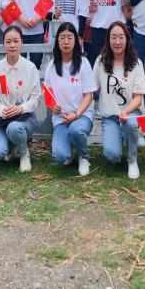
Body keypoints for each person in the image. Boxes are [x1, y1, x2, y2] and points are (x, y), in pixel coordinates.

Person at [93, 21, 145, 180]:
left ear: (127, 39)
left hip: (130, 113)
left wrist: (126, 111)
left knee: (130, 124)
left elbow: (138, 97)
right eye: (114, 37)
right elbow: (95, 88)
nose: (117, 42)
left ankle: (132, 159)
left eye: (121, 37)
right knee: (112, 155)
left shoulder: (136, 63)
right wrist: (107, 101)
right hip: (110, 116)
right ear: (108, 39)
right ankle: (119, 140)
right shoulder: (101, 61)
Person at [43, 22, 96, 176]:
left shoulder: (83, 63)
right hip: (61, 118)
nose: (66, 42)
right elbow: (47, 93)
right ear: (57, 41)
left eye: (69, 38)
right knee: (60, 156)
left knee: (76, 130)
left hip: (82, 114)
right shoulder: (52, 66)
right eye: (62, 38)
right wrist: (53, 107)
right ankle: (71, 148)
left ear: (76, 40)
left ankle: (83, 157)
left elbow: (89, 96)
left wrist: (77, 114)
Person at [0, 25, 42, 172]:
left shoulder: (30, 68)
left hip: (25, 118)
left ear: (21, 42)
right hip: (4, 119)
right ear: (3, 44)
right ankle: (13, 145)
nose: (12, 45)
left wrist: (21, 108)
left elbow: (36, 98)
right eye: (8, 41)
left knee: (14, 128)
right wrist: (2, 110)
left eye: (16, 41)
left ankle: (23, 153)